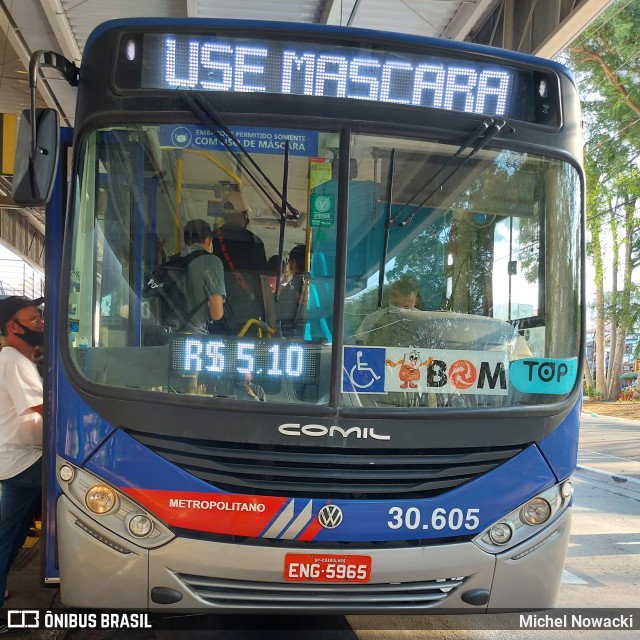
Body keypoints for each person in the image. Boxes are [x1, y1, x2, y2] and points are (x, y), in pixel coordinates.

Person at [0, 296, 45, 632]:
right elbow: (46, 411)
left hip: (22, 457)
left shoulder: (19, 358)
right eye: (34, 319)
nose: (40, 323)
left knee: (11, 535)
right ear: (13, 327)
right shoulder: (14, 360)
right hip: (24, 461)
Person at [212, 192, 269, 332]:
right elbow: (261, 282)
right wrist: (268, 315)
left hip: (216, 308)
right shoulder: (254, 242)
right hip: (246, 313)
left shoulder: (211, 239)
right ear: (243, 215)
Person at [181, 219, 226, 335]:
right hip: (193, 340)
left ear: (186, 241)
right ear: (209, 240)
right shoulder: (212, 262)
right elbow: (216, 313)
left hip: (167, 336)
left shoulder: (173, 260)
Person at [354, 275, 420, 345]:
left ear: (415, 301)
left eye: (406, 307)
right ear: (390, 297)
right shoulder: (373, 319)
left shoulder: (424, 320)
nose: (400, 310)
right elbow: (359, 342)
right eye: (396, 304)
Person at [274, 244, 308, 337]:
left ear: (293, 262)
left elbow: (275, 314)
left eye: (289, 261)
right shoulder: (314, 286)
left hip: (290, 337)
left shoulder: (291, 288)